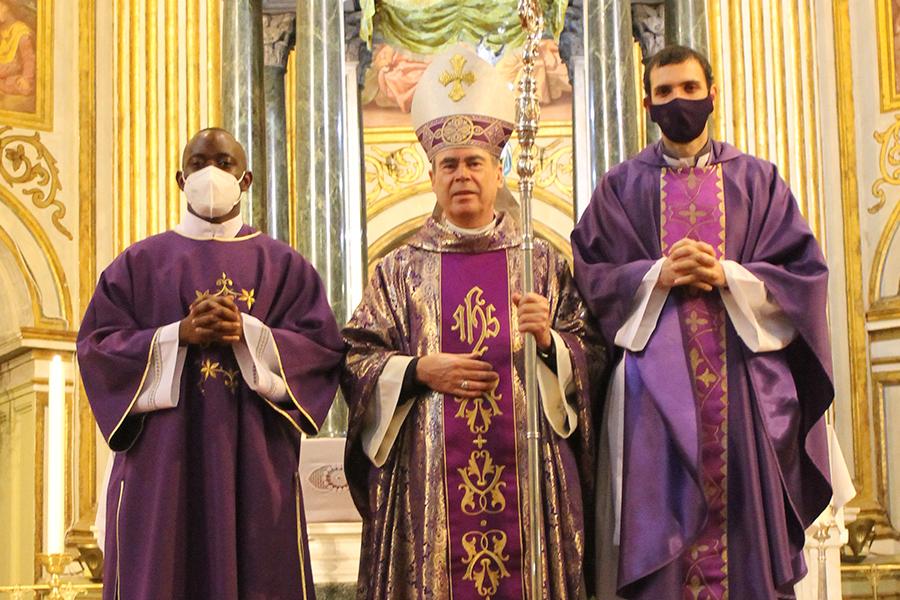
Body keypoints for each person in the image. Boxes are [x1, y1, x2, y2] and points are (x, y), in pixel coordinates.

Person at [341, 45, 605, 600]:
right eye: (449, 164)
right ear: (432, 175)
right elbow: (356, 358)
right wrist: (416, 371)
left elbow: (593, 352)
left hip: (529, 483)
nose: (462, 175)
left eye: (474, 162)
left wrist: (552, 343)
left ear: (496, 167)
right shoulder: (398, 271)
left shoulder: (544, 264)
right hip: (427, 480)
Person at [570, 45, 833, 599]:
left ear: (713, 93)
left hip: (743, 390)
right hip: (654, 400)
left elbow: (805, 276)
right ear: (647, 102)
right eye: (664, 92)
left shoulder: (757, 181)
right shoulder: (620, 188)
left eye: (689, 89)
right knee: (661, 533)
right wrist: (655, 275)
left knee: (744, 529)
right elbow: (590, 278)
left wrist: (729, 275)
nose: (678, 101)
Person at [77, 128, 345, 600]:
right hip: (162, 468)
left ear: (247, 179)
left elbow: (322, 353)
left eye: (223, 163)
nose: (211, 175)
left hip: (254, 465)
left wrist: (251, 335)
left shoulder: (285, 266)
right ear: (180, 179)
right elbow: (97, 349)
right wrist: (175, 335)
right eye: (199, 164)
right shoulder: (137, 264)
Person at [0, 1, 36, 99]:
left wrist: (27, 79)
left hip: (13, 78)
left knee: (23, 87)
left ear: (7, 8)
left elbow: (29, 60)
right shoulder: (2, 30)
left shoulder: (21, 32)